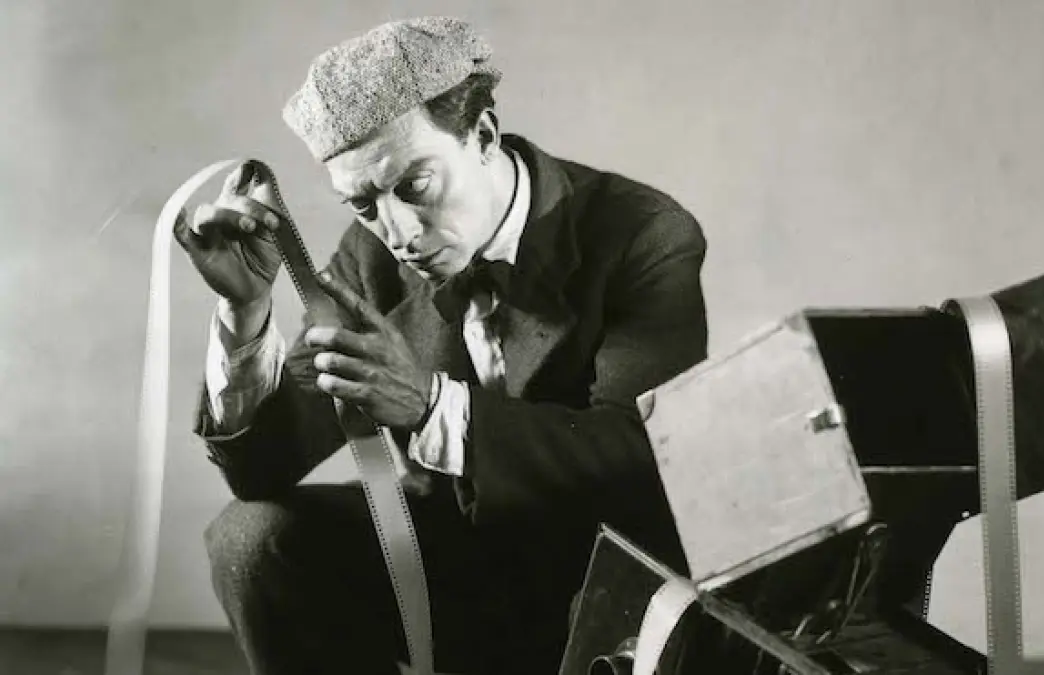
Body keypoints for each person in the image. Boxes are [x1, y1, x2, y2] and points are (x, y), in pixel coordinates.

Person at [174, 16, 708, 675]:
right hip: (462, 579)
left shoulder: (644, 233)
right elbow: (262, 471)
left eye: (415, 186)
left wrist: (432, 408)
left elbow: (640, 461)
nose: (397, 232)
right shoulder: (370, 257)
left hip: (600, 578)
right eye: (364, 205)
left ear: (482, 135)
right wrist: (245, 310)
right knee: (252, 540)